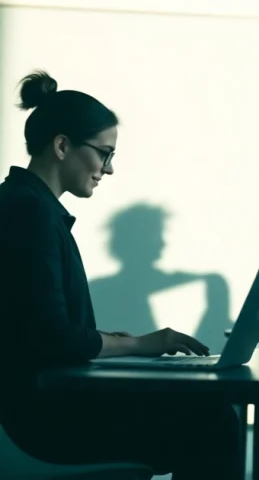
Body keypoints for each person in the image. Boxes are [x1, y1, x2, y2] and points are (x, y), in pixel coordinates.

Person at [0, 71, 241, 480]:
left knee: (208, 415)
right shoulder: (30, 213)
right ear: (62, 146)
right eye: (104, 154)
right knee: (212, 421)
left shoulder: (27, 206)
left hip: (38, 406)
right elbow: (53, 338)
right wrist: (144, 343)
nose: (108, 170)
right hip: (38, 424)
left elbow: (35, 328)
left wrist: (119, 342)